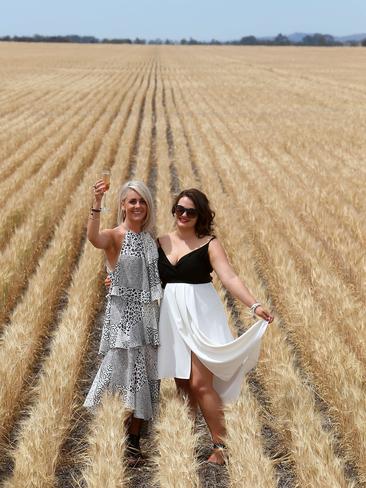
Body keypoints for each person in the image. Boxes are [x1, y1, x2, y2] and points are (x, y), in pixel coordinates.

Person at [157, 188, 273, 465]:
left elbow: (229, 277)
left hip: (201, 314)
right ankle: (185, 442)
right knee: (183, 383)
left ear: (201, 215)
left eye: (191, 211)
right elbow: (139, 272)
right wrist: (115, 280)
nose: (184, 215)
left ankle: (221, 445)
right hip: (171, 316)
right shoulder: (160, 241)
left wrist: (254, 305)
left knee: (200, 383)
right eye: (179, 210)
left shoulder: (209, 243)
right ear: (173, 211)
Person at [84, 179, 162, 466]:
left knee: (145, 376)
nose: (138, 206)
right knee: (119, 374)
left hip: (149, 317)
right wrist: (96, 203)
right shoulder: (115, 236)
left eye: (142, 201)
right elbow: (94, 239)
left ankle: (133, 441)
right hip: (123, 318)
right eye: (132, 201)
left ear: (148, 205)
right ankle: (111, 432)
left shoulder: (152, 240)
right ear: (123, 205)